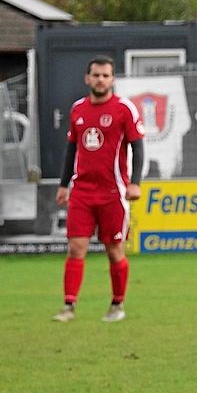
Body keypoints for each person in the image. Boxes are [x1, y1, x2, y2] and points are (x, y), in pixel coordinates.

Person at [53, 55, 145, 323]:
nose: (100, 80)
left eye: (106, 75)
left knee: (115, 250)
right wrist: (63, 184)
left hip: (113, 192)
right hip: (81, 191)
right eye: (96, 75)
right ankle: (68, 306)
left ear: (113, 79)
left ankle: (117, 304)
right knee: (76, 247)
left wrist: (135, 182)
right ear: (87, 78)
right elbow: (71, 149)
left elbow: (137, 147)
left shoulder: (124, 109)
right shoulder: (78, 109)